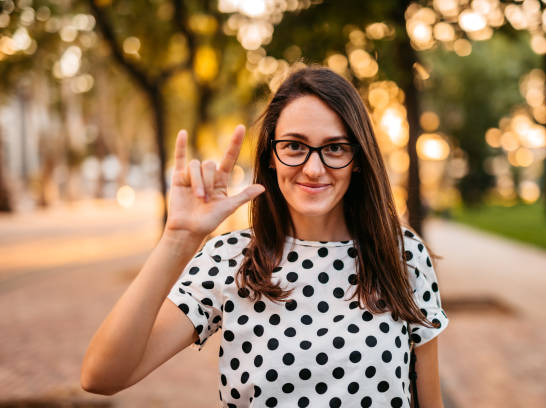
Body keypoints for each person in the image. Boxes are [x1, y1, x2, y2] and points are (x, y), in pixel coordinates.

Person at [81, 67, 449, 408]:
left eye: (335, 147)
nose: (314, 168)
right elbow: (102, 376)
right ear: (271, 156)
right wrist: (178, 239)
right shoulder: (229, 260)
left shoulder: (402, 255)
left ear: (357, 158)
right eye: (294, 146)